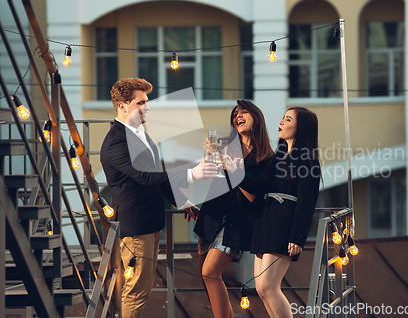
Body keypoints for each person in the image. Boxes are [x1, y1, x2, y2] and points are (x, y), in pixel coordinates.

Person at [100, 78, 217, 318]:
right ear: (122, 106)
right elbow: (145, 177)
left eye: (147, 100)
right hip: (135, 228)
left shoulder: (141, 134)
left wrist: (181, 201)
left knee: (143, 288)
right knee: (136, 291)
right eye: (141, 102)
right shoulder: (116, 142)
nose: (148, 106)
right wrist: (191, 174)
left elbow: (159, 174)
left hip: (151, 224)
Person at [229, 106, 321, 318]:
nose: (281, 122)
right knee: (261, 289)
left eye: (288, 119)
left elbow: (307, 202)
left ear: (301, 127)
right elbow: (258, 186)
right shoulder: (277, 158)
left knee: (269, 287)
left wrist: (298, 237)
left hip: (283, 226)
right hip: (265, 223)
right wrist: (235, 169)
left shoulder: (307, 160)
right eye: (282, 117)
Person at [194, 100, 274, 318]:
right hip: (211, 217)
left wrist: (235, 169)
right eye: (235, 113)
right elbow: (208, 180)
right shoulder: (226, 146)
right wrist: (207, 157)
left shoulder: (267, 158)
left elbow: (253, 195)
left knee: (210, 272)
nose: (238, 115)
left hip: (237, 223)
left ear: (256, 117)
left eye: (244, 111)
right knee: (206, 278)